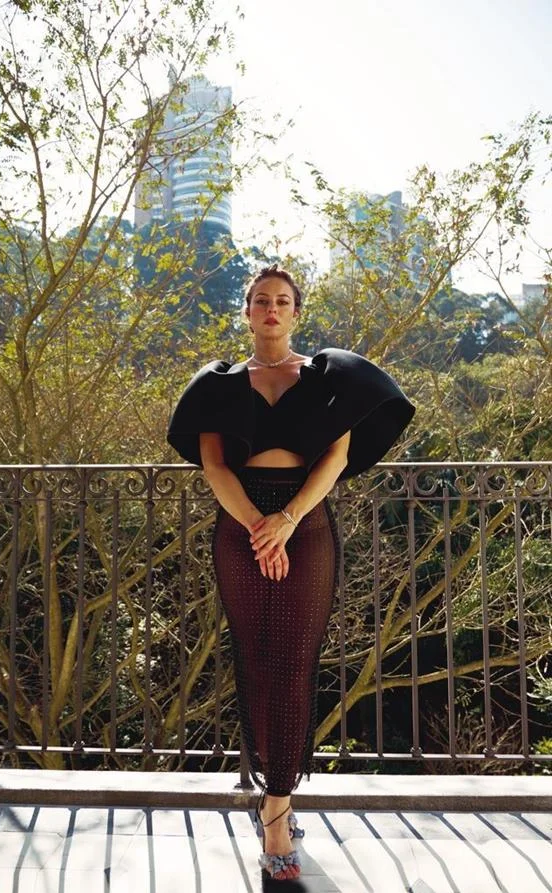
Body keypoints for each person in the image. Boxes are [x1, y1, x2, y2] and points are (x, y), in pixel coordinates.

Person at [167, 264, 415, 881]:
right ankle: (273, 795)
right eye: (260, 301)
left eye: (282, 301)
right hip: (240, 520)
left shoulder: (332, 376)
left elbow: (337, 455)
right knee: (254, 658)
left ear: (296, 313)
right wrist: (259, 523)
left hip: (305, 523)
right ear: (247, 313)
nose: (271, 309)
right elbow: (215, 467)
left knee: (296, 661)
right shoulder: (218, 383)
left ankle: (276, 806)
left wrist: (287, 519)